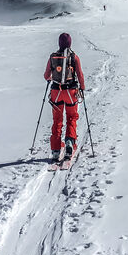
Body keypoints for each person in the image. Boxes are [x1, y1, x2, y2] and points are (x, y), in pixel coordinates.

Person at [44, 32, 85, 161]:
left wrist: (52, 77)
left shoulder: (53, 57)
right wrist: (82, 88)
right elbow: (80, 74)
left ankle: (55, 149)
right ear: (70, 43)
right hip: (70, 92)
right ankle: (69, 143)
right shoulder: (74, 57)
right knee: (71, 117)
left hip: (56, 93)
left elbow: (46, 76)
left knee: (57, 120)